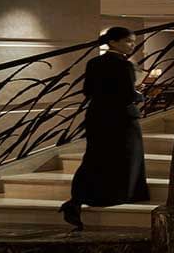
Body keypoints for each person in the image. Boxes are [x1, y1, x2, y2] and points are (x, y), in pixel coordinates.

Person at [60, 27, 151, 230]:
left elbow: (88, 91)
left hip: (97, 116)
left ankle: (78, 199)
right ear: (113, 42)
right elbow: (127, 96)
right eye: (128, 41)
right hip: (121, 118)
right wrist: (139, 94)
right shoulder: (124, 65)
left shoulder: (94, 62)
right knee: (125, 156)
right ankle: (118, 194)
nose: (132, 45)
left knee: (95, 157)